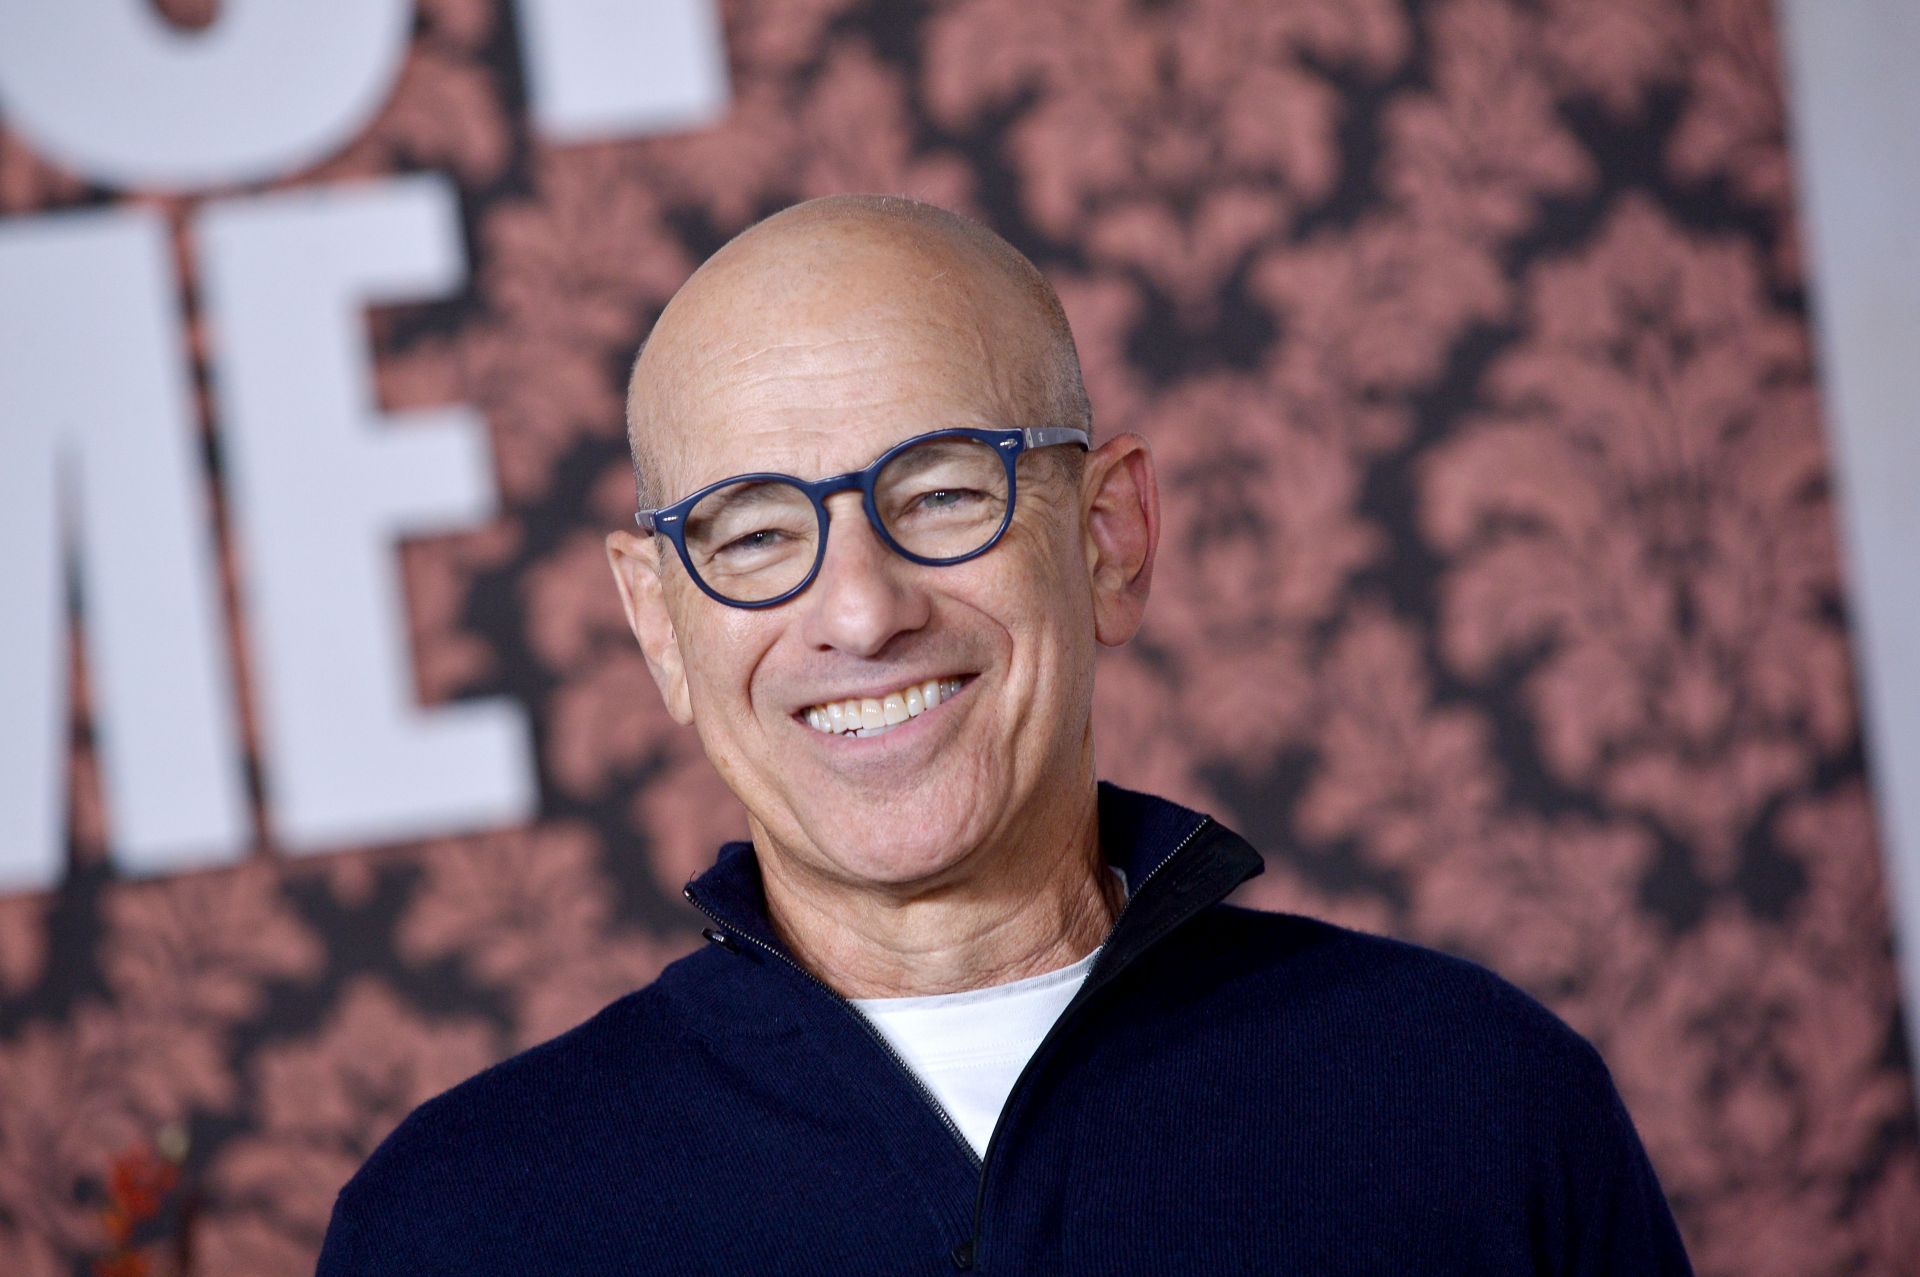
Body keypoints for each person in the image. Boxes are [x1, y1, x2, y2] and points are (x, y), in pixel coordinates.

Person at [316, 195, 1692, 1275]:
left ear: (1109, 537)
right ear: (659, 624)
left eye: (943, 491)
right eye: (753, 532)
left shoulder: (1478, 1101)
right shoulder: (460, 1224)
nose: (859, 611)